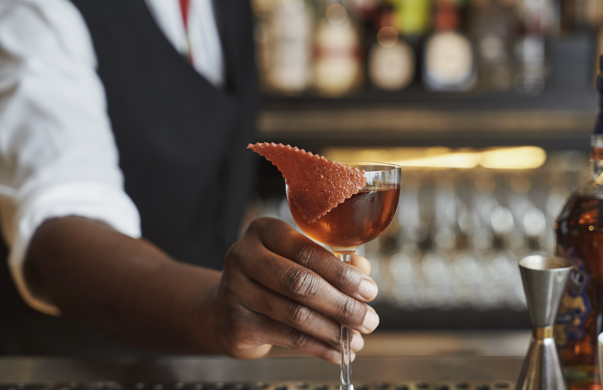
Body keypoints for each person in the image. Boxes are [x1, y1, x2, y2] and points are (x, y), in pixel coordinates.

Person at [0, 0, 378, 361]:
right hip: (76, 379)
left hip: (209, 373)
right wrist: (212, 309)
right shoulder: (37, 12)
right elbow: (62, 220)